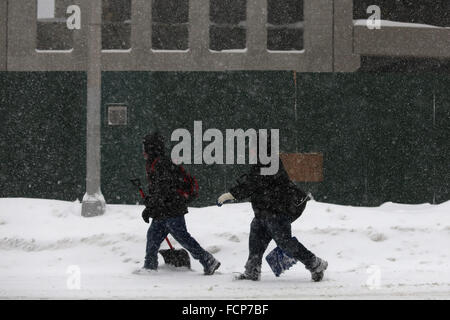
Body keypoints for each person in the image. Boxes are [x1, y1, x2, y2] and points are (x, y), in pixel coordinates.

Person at [217, 147, 328, 282]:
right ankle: (252, 270)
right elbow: (254, 183)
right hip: (262, 212)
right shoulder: (262, 163)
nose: (250, 151)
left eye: (253, 149)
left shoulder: (269, 163)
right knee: (256, 243)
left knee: (286, 244)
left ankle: (316, 264)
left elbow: (253, 183)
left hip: (276, 213)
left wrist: (231, 194)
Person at [140, 132, 220, 275]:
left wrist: (150, 207)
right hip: (163, 209)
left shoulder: (161, 164)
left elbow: (163, 190)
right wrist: (151, 204)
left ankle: (208, 260)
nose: (143, 150)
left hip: (172, 208)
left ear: (151, 148)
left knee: (182, 237)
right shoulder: (153, 163)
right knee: (153, 236)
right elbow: (157, 191)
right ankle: (149, 267)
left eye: (145, 147)